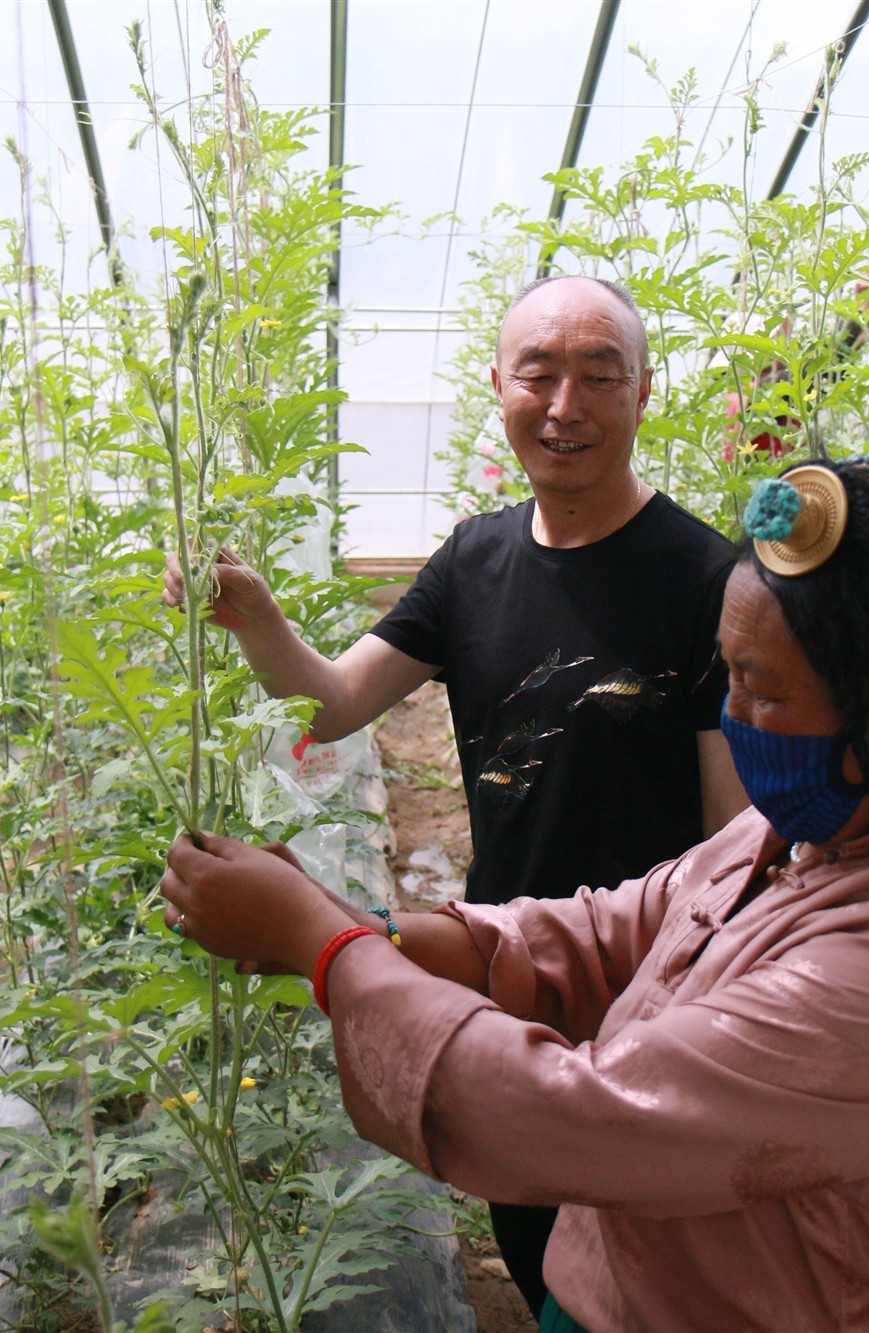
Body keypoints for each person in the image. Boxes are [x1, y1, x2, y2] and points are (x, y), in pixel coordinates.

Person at [160, 451, 869, 1331]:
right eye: (728, 677)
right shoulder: (816, 831)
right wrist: (362, 927)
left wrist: (324, 945)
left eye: (763, 691)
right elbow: (610, 933)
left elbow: (573, 1113)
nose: (731, 715)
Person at [165, 274, 748, 1313]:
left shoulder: (706, 579)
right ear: (497, 386)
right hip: (498, 959)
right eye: (538, 373)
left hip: (643, 984)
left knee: (640, 1264)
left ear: (644, 390)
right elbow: (336, 703)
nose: (564, 405)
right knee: (531, 1229)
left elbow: (732, 835)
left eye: (598, 375)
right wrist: (255, 616)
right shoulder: (475, 558)